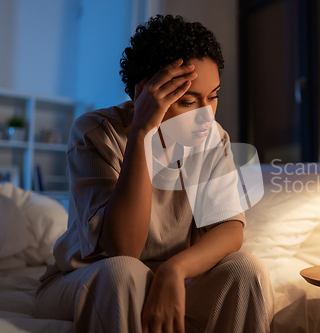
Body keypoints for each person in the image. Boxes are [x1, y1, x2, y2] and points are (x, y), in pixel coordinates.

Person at [34, 14, 274, 333]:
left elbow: (230, 228)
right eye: (188, 100)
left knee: (246, 269)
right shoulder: (96, 133)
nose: (207, 115)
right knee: (124, 272)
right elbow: (125, 247)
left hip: (173, 279)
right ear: (145, 93)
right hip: (88, 277)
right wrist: (142, 133)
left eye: (213, 96)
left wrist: (174, 269)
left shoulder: (212, 137)